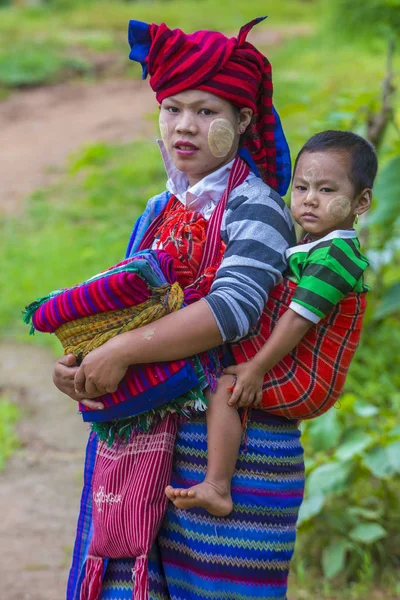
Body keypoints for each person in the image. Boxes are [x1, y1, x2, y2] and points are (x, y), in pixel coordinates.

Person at [57, 17, 304, 600]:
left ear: (244, 120)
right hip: (144, 445)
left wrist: (120, 352)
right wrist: (82, 359)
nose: (184, 126)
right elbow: (127, 310)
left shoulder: (259, 207)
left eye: (207, 111)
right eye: (172, 109)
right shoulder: (158, 208)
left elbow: (234, 309)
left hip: (237, 452)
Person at [166, 129, 377, 518]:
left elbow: (299, 319)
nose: (310, 200)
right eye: (301, 188)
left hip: (308, 375)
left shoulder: (337, 254)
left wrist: (256, 368)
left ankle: (217, 485)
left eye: (327, 191)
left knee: (224, 388)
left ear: (361, 201)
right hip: (290, 361)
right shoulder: (312, 245)